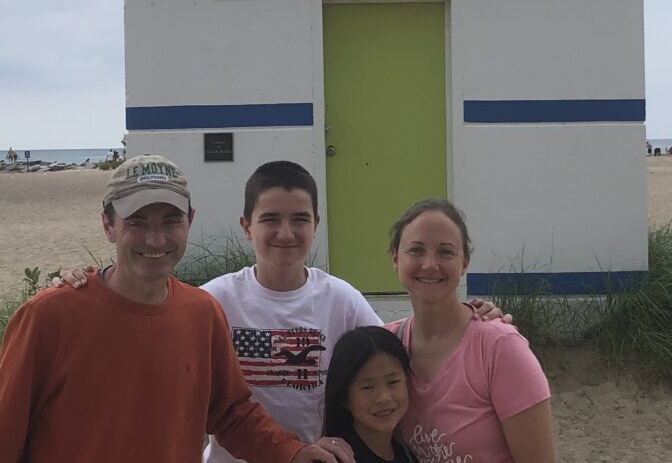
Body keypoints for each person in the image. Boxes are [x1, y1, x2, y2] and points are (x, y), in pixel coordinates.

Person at [54, 161, 507, 462]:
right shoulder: (212, 300)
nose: (285, 233)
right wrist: (88, 282)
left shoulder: (341, 300)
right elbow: (145, 318)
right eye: (270, 219)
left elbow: (397, 355)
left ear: (316, 225)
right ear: (246, 225)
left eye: (300, 219)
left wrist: (471, 319)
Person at [0, 155, 354, 463]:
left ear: (190, 221)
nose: (156, 238)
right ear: (108, 224)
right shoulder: (47, 317)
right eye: (137, 221)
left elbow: (231, 413)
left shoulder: (202, 312)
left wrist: (292, 453)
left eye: (170, 220)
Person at [384, 199, 555, 463]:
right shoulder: (386, 347)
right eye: (416, 250)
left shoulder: (500, 348)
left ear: (464, 263)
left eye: (445, 252)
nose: (430, 264)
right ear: (396, 258)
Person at [323, 327, 417, 463]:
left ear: (407, 380)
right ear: (344, 398)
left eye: (393, 382)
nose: (384, 397)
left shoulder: (407, 454)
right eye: (367, 387)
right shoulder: (336, 458)